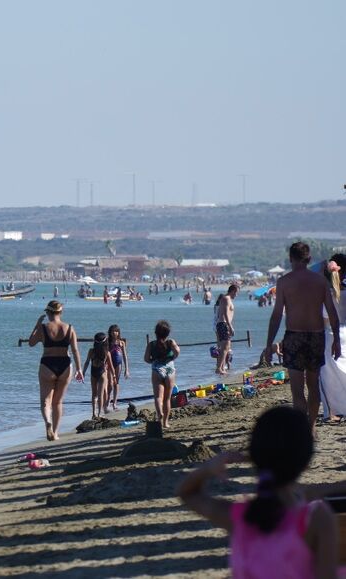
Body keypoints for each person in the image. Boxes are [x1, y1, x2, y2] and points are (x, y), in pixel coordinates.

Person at [178, 406, 337, 579]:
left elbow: (187, 493)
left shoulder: (240, 516)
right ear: (306, 463)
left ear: (254, 457)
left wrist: (209, 468)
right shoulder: (316, 518)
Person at [264, 243, 341, 434]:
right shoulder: (320, 281)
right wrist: (337, 340)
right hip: (316, 336)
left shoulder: (284, 282)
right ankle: (311, 426)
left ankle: (303, 431)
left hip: (294, 337)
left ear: (291, 259)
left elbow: (276, 316)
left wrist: (268, 344)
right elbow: (332, 313)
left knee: (297, 390)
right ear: (308, 259)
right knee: (313, 386)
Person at [27, 300, 84, 441]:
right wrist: (79, 369)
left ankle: (48, 423)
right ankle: (56, 432)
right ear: (61, 312)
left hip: (48, 364)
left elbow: (31, 343)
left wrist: (36, 326)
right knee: (58, 402)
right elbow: (75, 350)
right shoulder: (69, 328)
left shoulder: (43, 327)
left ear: (48, 313)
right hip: (65, 364)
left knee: (45, 401)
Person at [320, 255, 346, 420]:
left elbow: (325, 320)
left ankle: (332, 411)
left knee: (328, 377)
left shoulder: (326, 296)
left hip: (331, 334)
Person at [144, 320, 180, 429]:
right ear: (167, 333)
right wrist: (172, 358)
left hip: (157, 369)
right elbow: (177, 351)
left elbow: (146, 359)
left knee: (158, 397)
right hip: (169, 369)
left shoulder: (152, 344)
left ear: (156, 333)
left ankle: (159, 415)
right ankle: (165, 422)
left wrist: (152, 361)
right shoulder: (170, 342)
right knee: (167, 398)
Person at [82, 333, 115, 418]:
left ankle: (94, 413)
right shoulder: (107, 353)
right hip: (102, 373)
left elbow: (87, 362)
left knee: (94, 394)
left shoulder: (91, 351)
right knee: (100, 394)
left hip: (93, 372)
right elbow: (111, 367)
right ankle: (99, 413)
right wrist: (114, 376)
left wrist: (83, 372)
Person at [215, 284, 239, 375]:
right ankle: (219, 368)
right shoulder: (226, 299)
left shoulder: (227, 299)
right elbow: (225, 313)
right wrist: (230, 326)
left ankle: (221, 367)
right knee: (225, 347)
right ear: (233, 291)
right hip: (223, 324)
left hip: (224, 324)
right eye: (236, 293)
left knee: (226, 347)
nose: (236, 295)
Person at [107, 325, 129, 411]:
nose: (114, 333)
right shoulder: (108, 342)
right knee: (110, 383)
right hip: (110, 364)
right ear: (110, 332)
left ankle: (115, 403)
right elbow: (106, 354)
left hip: (118, 364)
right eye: (112, 331)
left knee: (116, 383)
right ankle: (108, 401)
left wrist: (127, 369)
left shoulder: (121, 343)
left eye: (116, 331)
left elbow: (125, 356)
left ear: (118, 332)